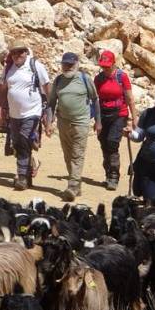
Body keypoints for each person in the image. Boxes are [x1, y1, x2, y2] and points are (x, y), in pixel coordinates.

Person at [46, 52, 99, 201]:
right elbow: (51, 103)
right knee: (68, 155)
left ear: (77, 64)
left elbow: (95, 100)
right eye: (65, 64)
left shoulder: (85, 79)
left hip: (81, 122)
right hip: (63, 122)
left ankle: (73, 185)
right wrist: (49, 123)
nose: (68, 67)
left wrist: (98, 122)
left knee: (77, 154)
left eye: (71, 64)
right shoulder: (58, 81)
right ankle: (77, 186)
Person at [0, 40, 51, 190]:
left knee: (23, 140)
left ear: (26, 52)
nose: (17, 55)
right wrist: (2, 109)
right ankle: (27, 176)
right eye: (13, 52)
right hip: (14, 114)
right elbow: (4, 88)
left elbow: (48, 89)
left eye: (20, 51)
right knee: (18, 144)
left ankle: (21, 176)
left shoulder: (35, 66)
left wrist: (50, 112)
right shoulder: (9, 68)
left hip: (32, 112)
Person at [95, 50, 136, 191]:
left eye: (107, 65)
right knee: (104, 143)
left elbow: (130, 98)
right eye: (103, 66)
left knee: (112, 142)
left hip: (119, 114)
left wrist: (134, 117)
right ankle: (108, 172)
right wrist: (97, 120)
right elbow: (95, 100)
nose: (105, 68)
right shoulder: (99, 79)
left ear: (113, 63)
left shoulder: (121, 77)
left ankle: (113, 175)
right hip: (103, 114)